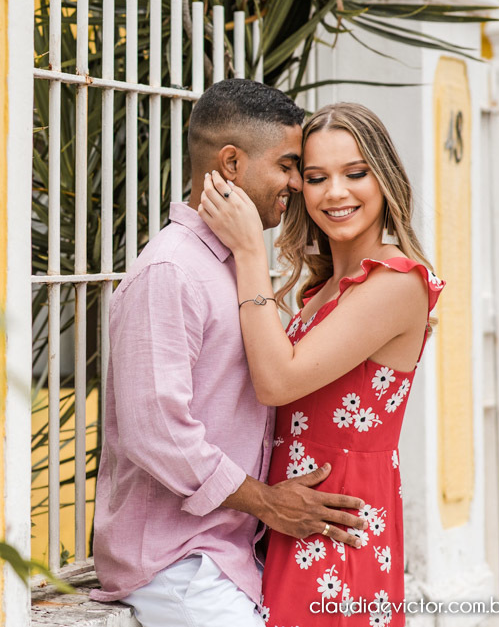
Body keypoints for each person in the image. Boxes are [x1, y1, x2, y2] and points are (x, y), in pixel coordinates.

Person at [91, 79, 368, 627]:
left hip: (225, 556)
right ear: (233, 163)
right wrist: (269, 503)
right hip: (177, 565)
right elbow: (159, 433)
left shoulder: (230, 265)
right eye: (288, 166)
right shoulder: (172, 271)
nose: (296, 183)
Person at [198, 101, 445, 626]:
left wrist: (249, 253)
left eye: (355, 173)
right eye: (315, 177)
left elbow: (277, 380)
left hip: (338, 530)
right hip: (297, 520)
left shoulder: (397, 283)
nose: (335, 192)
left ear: (385, 180)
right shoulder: (324, 288)